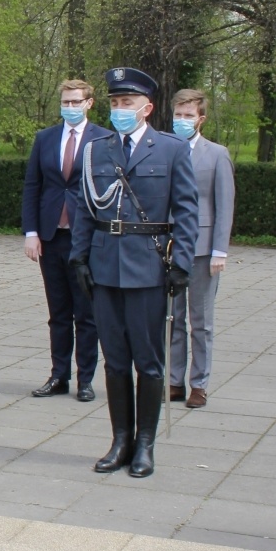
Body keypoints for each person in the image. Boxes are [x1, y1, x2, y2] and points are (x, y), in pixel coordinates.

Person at [68, 68, 198, 479]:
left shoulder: (172, 150)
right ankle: (120, 440)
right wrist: (79, 258)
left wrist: (181, 264)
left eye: (127, 103)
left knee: (149, 361)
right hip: (105, 265)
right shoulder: (97, 150)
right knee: (115, 361)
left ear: (147, 108)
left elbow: (187, 212)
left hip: (147, 266)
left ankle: (145, 445)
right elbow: (86, 210)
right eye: (115, 102)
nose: (120, 109)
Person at [22, 79, 112, 403]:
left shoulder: (104, 138)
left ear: (90, 103)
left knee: (86, 314)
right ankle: (59, 374)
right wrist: (31, 232)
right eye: (65, 102)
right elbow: (34, 186)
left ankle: (85, 379)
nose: (70, 108)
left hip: (86, 239)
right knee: (58, 312)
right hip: (52, 237)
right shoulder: (45, 138)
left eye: (76, 102)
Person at [168, 88, 234, 409]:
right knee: (172, 318)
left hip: (203, 248)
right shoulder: (164, 149)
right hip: (169, 246)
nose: (182, 120)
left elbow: (224, 204)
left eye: (188, 116)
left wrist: (220, 250)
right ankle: (174, 380)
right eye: (178, 115)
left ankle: (200, 384)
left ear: (201, 119)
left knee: (201, 320)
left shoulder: (216, 154)